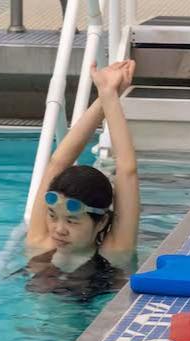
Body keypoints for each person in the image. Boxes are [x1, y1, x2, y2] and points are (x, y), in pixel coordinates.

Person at [20, 61, 140, 300]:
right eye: (52, 216)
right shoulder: (40, 242)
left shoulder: (115, 252)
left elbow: (126, 169)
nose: (59, 229)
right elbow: (57, 163)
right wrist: (105, 95)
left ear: (101, 221)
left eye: (73, 221)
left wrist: (110, 97)